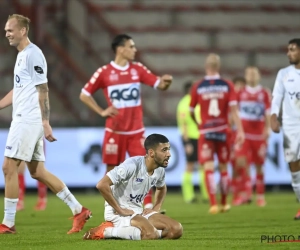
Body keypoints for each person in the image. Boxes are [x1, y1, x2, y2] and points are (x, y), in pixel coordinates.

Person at [0, 14, 91, 234]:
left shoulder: (33, 54)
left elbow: (43, 89)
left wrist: (45, 122)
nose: (6, 34)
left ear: (23, 31)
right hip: (25, 119)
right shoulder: (22, 56)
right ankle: (78, 210)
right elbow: (19, 89)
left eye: (10, 30)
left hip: (29, 120)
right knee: (38, 172)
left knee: (8, 167)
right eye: (5, 31)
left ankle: (8, 223)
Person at [79, 34, 172, 209]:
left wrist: (166, 83)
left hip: (136, 132)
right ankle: (112, 211)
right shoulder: (104, 72)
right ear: (121, 49)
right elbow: (84, 94)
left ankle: (148, 208)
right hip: (114, 132)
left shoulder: (137, 69)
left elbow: (159, 84)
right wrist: (102, 111)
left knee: (146, 167)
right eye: (131, 46)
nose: (134, 50)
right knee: (111, 171)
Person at [83, 134, 183, 240]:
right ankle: (106, 231)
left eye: (168, 149)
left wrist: (156, 208)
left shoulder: (159, 170)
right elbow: (102, 185)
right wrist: (120, 209)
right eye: (164, 150)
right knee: (150, 234)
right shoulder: (132, 166)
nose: (169, 154)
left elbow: (162, 188)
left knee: (176, 230)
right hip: (118, 213)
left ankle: (138, 232)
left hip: (138, 211)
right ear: (151, 153)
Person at [189, 53, 245, 214]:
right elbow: (234, 111)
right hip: (223, 130)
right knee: (224, 168)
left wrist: (199, 123)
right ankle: (224, 203)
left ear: (206, 67)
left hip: (206, 131)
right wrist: (240, 130)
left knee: (208, 167)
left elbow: (191, 111)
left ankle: (213, 204)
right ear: (219, 67)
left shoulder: (198, 86)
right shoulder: (227, 85)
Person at [271, 38, 300, 219]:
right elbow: (276, 97)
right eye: (288, 50)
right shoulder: (284, 73)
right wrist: (273, 116)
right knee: (294, 170)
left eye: (292, 50)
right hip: (290, 126)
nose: (288, 53)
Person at [233, 67, 271, 207]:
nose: (252, 76)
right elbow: (235, 112)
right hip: (244, 134)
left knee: (259, 165)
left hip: (259, 135)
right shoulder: (240, 93)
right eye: (249, 74)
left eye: (254, 73)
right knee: (242, 163)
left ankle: (260, 195)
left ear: (259, 76)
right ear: (246, 76)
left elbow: (267, 112)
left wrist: (267, 129)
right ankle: (247, 193)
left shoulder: (264, 93)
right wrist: (238, 129)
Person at [176, 81, 208, 203]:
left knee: (203, 165)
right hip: (191, 138)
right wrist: (187, 142)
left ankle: (206, 194)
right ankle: (189, 196)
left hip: (201, 136)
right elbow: (183, 124)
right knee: (190, 165)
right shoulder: (184, 103)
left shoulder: (197, 101)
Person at [229, 76, 246, 204]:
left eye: (241, 85)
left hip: (241, 135)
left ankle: (243, 194)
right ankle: (236, 194)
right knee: (234, 165)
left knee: (242, 164)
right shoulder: (230, 102)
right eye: (237, 85)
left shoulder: (244, 103)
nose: (239, 88)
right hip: (230, 136)